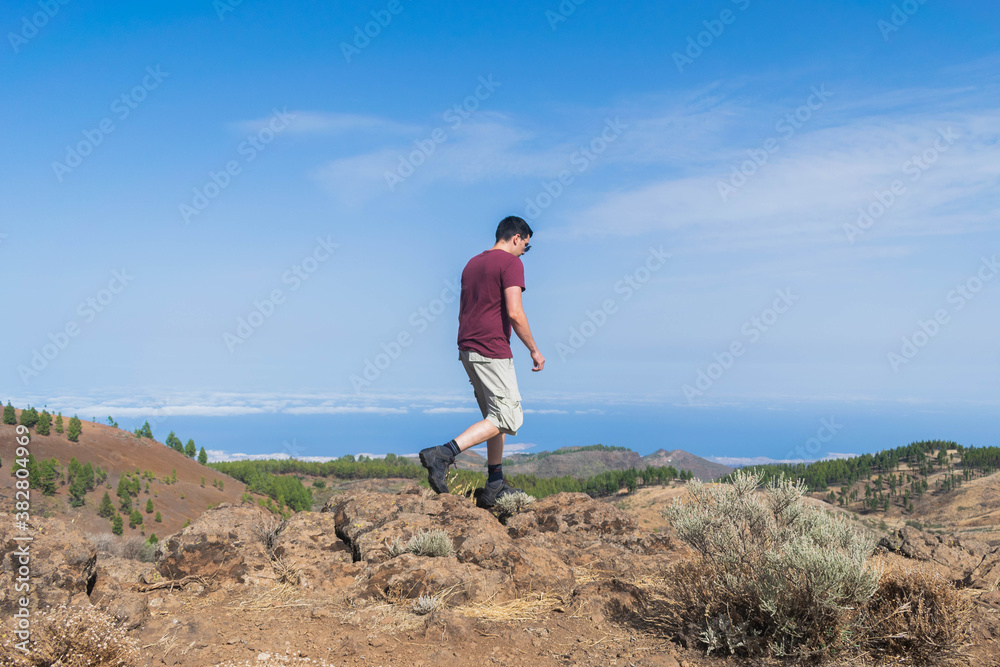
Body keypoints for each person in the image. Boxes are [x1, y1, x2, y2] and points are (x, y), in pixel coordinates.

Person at [419, 215, 545, 509]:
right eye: (525, 246)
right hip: (492, 349)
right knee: (508, 417)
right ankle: (444, 453)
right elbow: (515, 313)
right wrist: (534, 350)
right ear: (517, 237)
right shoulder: (511, 263)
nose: (524, 252)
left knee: (493, 417)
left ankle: (495, 484)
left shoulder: (472, 264)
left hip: (467, 348)